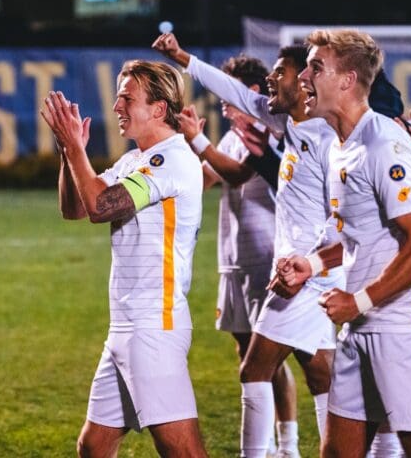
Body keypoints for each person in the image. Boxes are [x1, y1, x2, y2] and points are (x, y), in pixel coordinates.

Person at [152, 33, 337, 458]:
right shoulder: (288, 127)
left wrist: (312, 262)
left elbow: (348, 222)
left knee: (265, 368)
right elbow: (233, 91)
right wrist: (183, 57)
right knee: (320, 374)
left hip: (305, 272)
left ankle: (277, 450)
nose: (273, 78)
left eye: (282, 71)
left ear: (307, 82)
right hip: (292, 269)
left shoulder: (332, 139)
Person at [276, 28, 411, 458]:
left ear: (348, 80)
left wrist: (361, 301)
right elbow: (355, 236)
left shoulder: (384, 144)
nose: (303, 78)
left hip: (404, 328)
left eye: (315, 68)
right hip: (361, 323)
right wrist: (312, 266)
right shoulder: (340, 147)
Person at [41, 60, 208, 458]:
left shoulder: (171, 160)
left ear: (158, 109)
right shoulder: (136, 160)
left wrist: (76, 149)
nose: (116, 106)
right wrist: (70, 151)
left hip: (153, 326)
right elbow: (76, 209)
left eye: (126, 97)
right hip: (126, 326)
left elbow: (99, 206)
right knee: (94, 447)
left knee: (185, 453)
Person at [174, 56, 299, 457]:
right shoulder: (231, 135)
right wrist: (187, 149)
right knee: (246, 352)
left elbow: (240, 174)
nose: (224, 102)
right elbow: (208, 177)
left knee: (270, 358)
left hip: (266, 257)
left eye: (230, 93)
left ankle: (287, 446)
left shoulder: (267, 131)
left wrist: (198, 140)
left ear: (253, 94)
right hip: (234, 258)